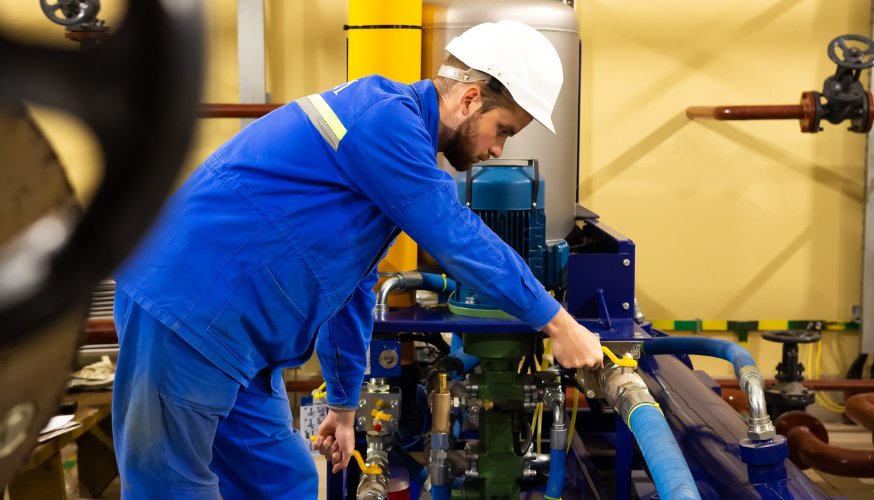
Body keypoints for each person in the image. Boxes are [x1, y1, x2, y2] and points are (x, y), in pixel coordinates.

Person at [111, 19, 603, 500]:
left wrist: (344, 408)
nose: (497, 149)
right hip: (186, 309)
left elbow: (350, 288)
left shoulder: (392, 150)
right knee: (171, 488)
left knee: (283, 484)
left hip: (239, 339)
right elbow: (458, 236)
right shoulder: (385, 119)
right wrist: (558, 324)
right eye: (503, 131)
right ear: (469, 98)